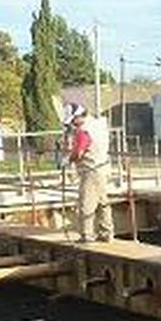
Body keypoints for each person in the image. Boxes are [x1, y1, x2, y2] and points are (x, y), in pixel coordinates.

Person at [65, 104, 114, 242]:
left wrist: (68, 160)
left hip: (90, 170)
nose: (73, 124)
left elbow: (78, 153)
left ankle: (86, 235)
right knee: (102, 202)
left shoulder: (83, 131)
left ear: (79, 116)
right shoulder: (98, 125)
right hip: (103, 167)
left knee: (86, 204)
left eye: (73, 120)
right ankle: (107, 233)